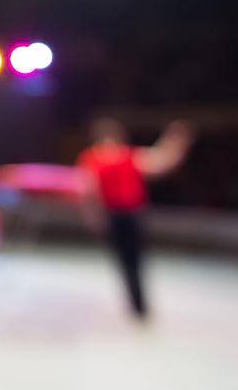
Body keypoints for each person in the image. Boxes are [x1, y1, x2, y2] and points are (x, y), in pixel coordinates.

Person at [77, 117, 195, 320]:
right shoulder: (127, 155)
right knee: (135, 260)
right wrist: (176, 140)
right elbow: (162, 161)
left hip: (114, 215)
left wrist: (93, 218)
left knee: (124, 261)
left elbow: (88, 192)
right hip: (131, 214)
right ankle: (139, 305)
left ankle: (136, 304)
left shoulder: (92, 158)